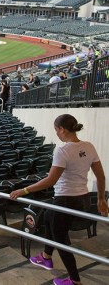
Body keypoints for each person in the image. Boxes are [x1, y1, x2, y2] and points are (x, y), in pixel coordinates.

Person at [10, 114, 107, 285]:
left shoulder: (62, 150)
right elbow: (100, 176)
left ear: (62, 129)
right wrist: (100, 198)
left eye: (56, 130)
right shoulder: (89, 146)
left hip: (65, 200)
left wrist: (24, 190)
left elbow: (50, 180)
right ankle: (46, 257)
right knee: (48, 217)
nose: (56, 133)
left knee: (62, 241)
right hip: (82, 199)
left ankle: (75, 281)